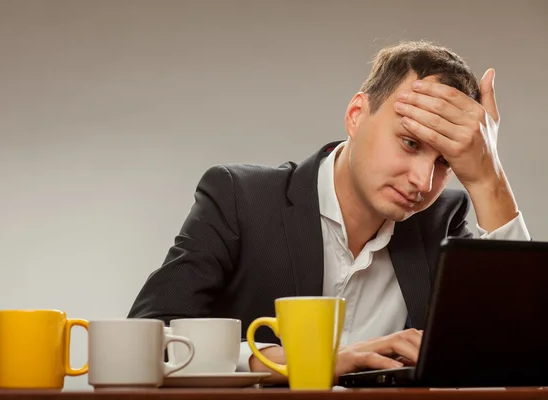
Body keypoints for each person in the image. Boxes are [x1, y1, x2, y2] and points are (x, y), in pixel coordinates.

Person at [127, 40, 530, 384]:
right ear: (357, 116)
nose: (423, 182)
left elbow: (520, 352)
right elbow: (146, 339)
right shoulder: (240, 198)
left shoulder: (443, 219)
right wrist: (315, 362)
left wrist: (487, 179)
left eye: (445, 162)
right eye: (409, 143)